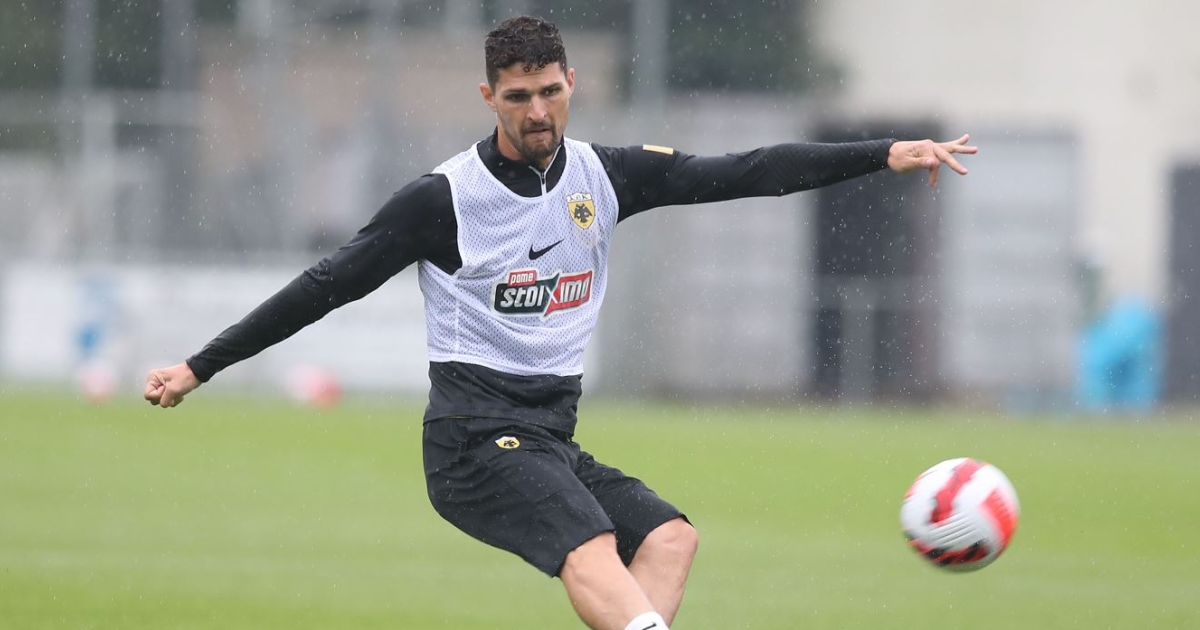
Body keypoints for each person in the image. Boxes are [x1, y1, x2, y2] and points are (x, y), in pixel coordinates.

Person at [144, 15, 976, 630]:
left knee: (670, 540)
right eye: (518, 97)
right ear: (489, 98)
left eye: (550, 91)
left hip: (549, 434)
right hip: (473, 439)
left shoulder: (604, 176)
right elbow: (324, 285)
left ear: (570, 83)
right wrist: (198, 366)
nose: (537, 110)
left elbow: (748, 170)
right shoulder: (444, 199)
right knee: (591, 546)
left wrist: (880, 154)